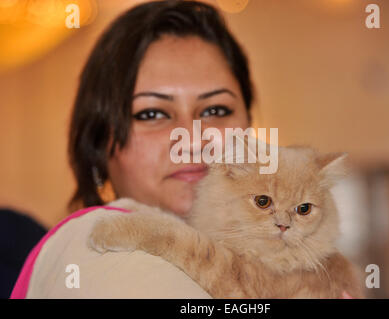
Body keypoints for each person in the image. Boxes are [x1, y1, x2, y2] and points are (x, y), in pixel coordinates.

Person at [11, 0, 349, 298]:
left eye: (215, 110)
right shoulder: (101, 248)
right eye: (152, 113)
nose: (192, 139)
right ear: (99, 148)